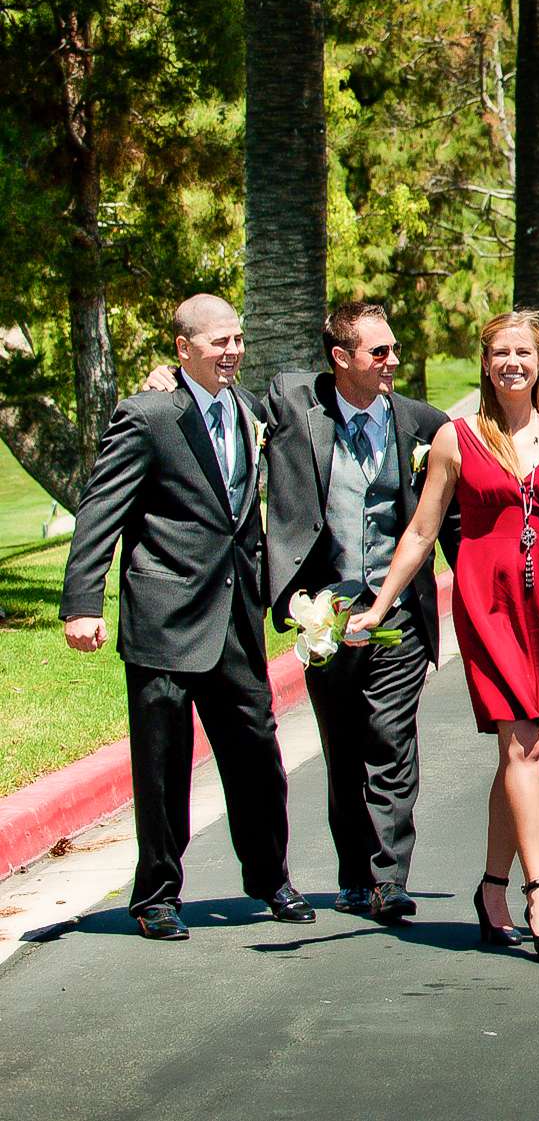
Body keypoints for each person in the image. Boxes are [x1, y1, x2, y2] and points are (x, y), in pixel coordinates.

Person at [348, 310, 539, 957]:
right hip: (485, 604)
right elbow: (422, 531)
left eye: (524, 351)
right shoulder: (457, 439)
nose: (512, 361)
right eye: (500, 352)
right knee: (525, 744)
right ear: (486, 363)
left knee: (518, 750)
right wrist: (379, 607)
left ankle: (492, 887)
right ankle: (538, 890)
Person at [60, 294, 312, 940]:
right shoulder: (147, 416)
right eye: (217, 342)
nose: (231, 352)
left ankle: (271, 877)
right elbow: (99, 511)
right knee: (162, 760)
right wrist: (83, 602)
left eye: (237, 340)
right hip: (164, 617)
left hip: (234, 617)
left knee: (256, 750)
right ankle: (157, 895)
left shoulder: (250, 409)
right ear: (183, 349)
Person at [265, 304, 459, 920]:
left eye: (393, 349)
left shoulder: (424, 425)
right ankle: (354, 871)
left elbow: (450, 524)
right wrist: (168, 379)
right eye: (378, 353)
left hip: (397, 614)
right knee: (343, 744)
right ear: (341, 359)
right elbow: (230, 395)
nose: (392, 361)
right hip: (328, 614)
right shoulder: (300, 410)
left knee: (392, 740)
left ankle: (389, 879)